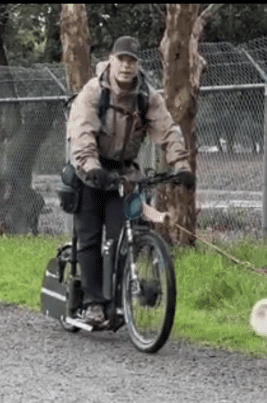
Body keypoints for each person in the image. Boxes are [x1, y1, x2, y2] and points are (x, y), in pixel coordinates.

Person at [67, 36, 195, 325]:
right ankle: (93, 302)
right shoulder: (93, 91)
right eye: (121, 59)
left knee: (122, 238)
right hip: (91, 173)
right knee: (89, 238)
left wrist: (181, 165)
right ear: (111, 60)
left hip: (124, 175)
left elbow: (168, 130)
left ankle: (119, 299)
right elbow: (81, 130)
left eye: (132, 61)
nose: (126, 66)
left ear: (138, 65)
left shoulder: (146, 96)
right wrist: (91, 165)